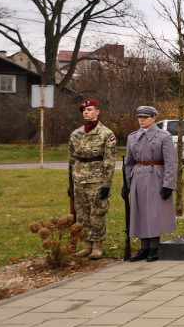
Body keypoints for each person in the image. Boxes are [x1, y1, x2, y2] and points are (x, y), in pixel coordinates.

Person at [122, 106, 177, 262]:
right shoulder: (132, 137)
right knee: (139, 212)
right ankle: (144, 248)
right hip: (138, 178)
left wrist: (168, 184)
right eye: (140, 117)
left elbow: (171, 162)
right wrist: (125, 185)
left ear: (154, 118)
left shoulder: (163, 137)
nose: (141, 120)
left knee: (153, 213)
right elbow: (129, 163)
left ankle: (154, 248)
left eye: (145, 117)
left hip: (155, 178)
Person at [68, 99, 117, 260]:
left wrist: (106, 184)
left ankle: (97, 246)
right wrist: (71, 182)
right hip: (79, 179)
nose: (86, 112)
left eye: (89, 109)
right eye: (84, 110)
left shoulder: (106, 134)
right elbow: (72, 159)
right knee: (82, 213)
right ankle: (87, 245)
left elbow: (109, 161)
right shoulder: (76, 134)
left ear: (97, 111)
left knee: (97, 213)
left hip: (97, 180)